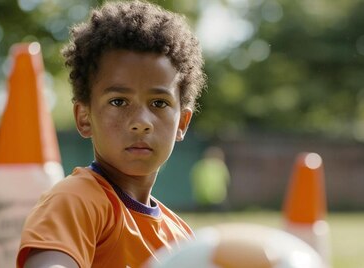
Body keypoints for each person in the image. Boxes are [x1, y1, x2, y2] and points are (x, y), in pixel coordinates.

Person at [16, 1, 206, 267]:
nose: (141, 122)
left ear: (183, 123)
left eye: (159, 103)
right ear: (84, 117)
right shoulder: (75, 201)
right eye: (118, 102)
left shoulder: (182, 240)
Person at [190, 146, 231, 211]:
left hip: (204, 195)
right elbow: (226, 180)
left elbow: (195, 178)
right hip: (217, 195)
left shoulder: (200, 165)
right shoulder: (220, 166)